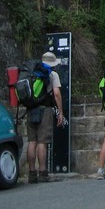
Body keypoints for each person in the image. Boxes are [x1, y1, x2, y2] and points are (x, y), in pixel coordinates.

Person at [26, 51, 65, 184]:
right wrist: (60, 112)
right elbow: (57, 94)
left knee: (32, 141)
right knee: (42, 142)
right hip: (45, 110)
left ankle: (31, 173)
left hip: (31, 109)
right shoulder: (52, 74)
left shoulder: (31, 73)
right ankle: (43, 173)